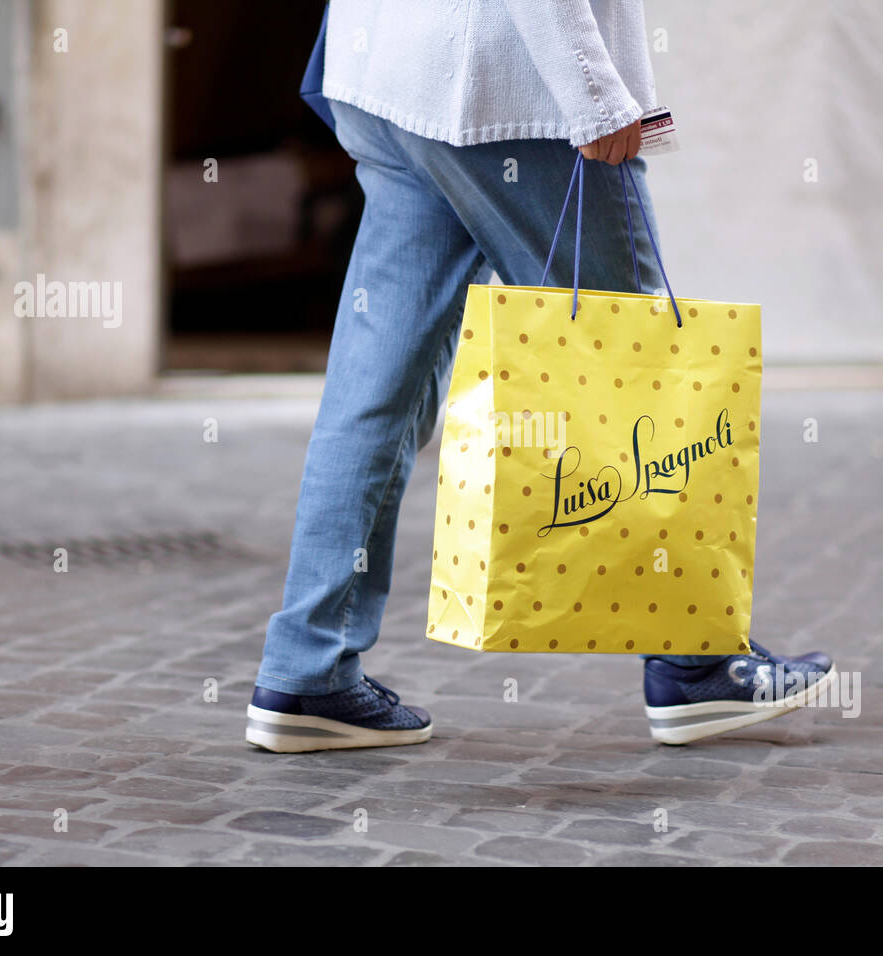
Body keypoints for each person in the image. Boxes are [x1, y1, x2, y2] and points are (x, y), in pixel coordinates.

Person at [247, 0, 833, 753]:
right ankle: (699, 665)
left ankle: (307, 669)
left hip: (387, 80)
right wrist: (595, 97)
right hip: (509, 98)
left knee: (374, 387)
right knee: (640, 364)